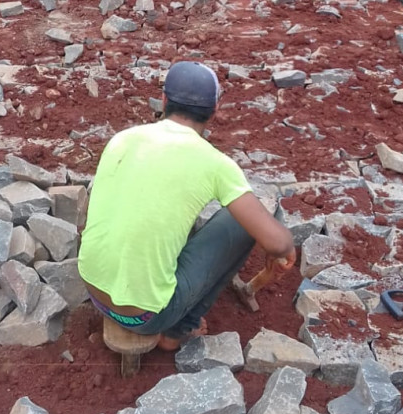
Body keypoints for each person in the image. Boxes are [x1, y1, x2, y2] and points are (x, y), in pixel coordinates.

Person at [77, 60, 296, 350]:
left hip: (93, 291)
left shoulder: (122, 139)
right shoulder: (216, 163)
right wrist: (286, 248)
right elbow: (277, 242)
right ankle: (179, 330)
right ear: (215, 110)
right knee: (240, 224)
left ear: (164, 100)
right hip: (145, 317)